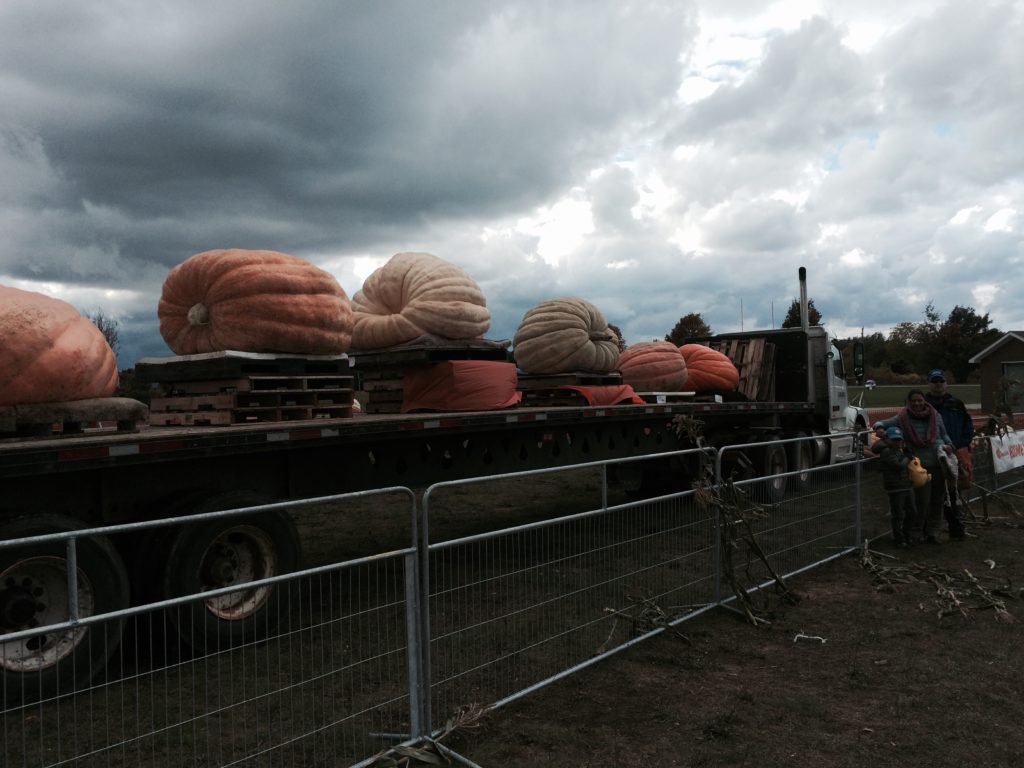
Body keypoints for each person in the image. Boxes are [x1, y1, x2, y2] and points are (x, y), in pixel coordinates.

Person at [874, 389, 958, 543]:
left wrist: (949, 444)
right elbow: (881, 423)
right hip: (918, 467)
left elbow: (944, 434)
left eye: (920, 400)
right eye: (914, 401)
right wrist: (879, 428)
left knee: (937, 500)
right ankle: (916, 533)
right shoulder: (902, 418)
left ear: (924, 401)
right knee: (921, 502)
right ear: (909, 402)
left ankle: (933, 532)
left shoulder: (935, 415)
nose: (917, 403)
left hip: (938, 464)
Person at [924, 368, 974, 539]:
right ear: (929, 383)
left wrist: (962, 445)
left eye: (941, 381)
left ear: (946, 384)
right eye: (934, 381)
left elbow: (968, 425)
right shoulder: (922, 404)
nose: (938, 385)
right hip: (932, 455)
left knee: (954, 492)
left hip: (954, 453)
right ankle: (929, 531)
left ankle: (957, 529)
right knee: (933, 494)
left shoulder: (956, 404)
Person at [871, 426, 916, 548]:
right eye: (894, 439)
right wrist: (908, 457)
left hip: (905, 485)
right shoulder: (886, 452)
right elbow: (898, 465)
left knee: (911, 512)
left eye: (899, 439)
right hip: (896, 488)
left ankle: (906, 535)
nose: (897, 442)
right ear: (888, 439)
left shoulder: (898, 450)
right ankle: (899, 538)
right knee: (898, 514)